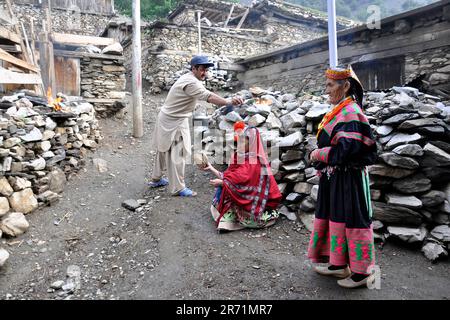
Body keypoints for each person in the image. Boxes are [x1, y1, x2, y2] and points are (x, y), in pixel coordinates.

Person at [307, 65, 378, 288]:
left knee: (353, 220)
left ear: (345, 86)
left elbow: (348, 151)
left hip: (350, 178)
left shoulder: (351, 112)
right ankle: (338, 264)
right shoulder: (341, 110)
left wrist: (318, 153)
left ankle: (363, 273)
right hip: (335, 177)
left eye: (330, 85)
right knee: (334, 217)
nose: (326, 90)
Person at [150, 55, 244, 197]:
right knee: (178, 152)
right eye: (202, 70)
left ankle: (156, 179)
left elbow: (204, 95)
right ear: (193, 68)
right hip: (175, 120)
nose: (205, 73)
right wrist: (228, 101)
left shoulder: (190, 78)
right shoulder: (191, 82)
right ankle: (178, 188)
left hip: (169, 117)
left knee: (163, 148)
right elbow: (210, 97)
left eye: (206, 70)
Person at [202, 121, 282, 231]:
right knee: (225, 188)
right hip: (246, 197)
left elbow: (237, 182)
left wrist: (222, 183)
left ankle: (251, 217)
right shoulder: (241, 157)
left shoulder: (255, 163)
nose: (239, 144)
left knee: (226, 190)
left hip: (258, 204)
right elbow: (229, 177)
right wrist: (211, 168)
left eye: (243, 141)